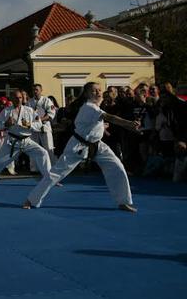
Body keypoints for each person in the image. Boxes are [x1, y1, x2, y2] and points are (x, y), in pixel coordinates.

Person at [24, 82, 140, 212]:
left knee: (117, 167)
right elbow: (110, 117)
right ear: (87, 94)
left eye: (100, 90)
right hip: (78, 146)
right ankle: (31, 199)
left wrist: (101, 126)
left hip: (98, 145)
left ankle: (123, 201)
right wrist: (129, 124)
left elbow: (96, 122)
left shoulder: (94, 107)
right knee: (56, 173)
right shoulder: (90, 107)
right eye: (94, 90)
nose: (98, 93)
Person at [0, 90, 51, 185]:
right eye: (16, 98)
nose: (18, 100)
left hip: (27, 141)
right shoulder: (6, 111)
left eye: (20, 97)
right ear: (11, 99)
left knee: (43, 153)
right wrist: (5, 124)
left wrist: (29, 125)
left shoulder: (29, 110)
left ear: (22, 98)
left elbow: (39, 124)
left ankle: (49, 179)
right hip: (12, 141)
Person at [27, 84, 57, 164]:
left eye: (37, 89)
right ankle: (34, 168)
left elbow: (51, 114)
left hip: (44, 127)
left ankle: (51, 166)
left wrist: (40, 119)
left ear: (41, 90)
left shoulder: (47, 101)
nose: (35, 91)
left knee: (48, 148)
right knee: (33, 148)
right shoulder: (29, 102)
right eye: (34, 90)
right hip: (33, 128)